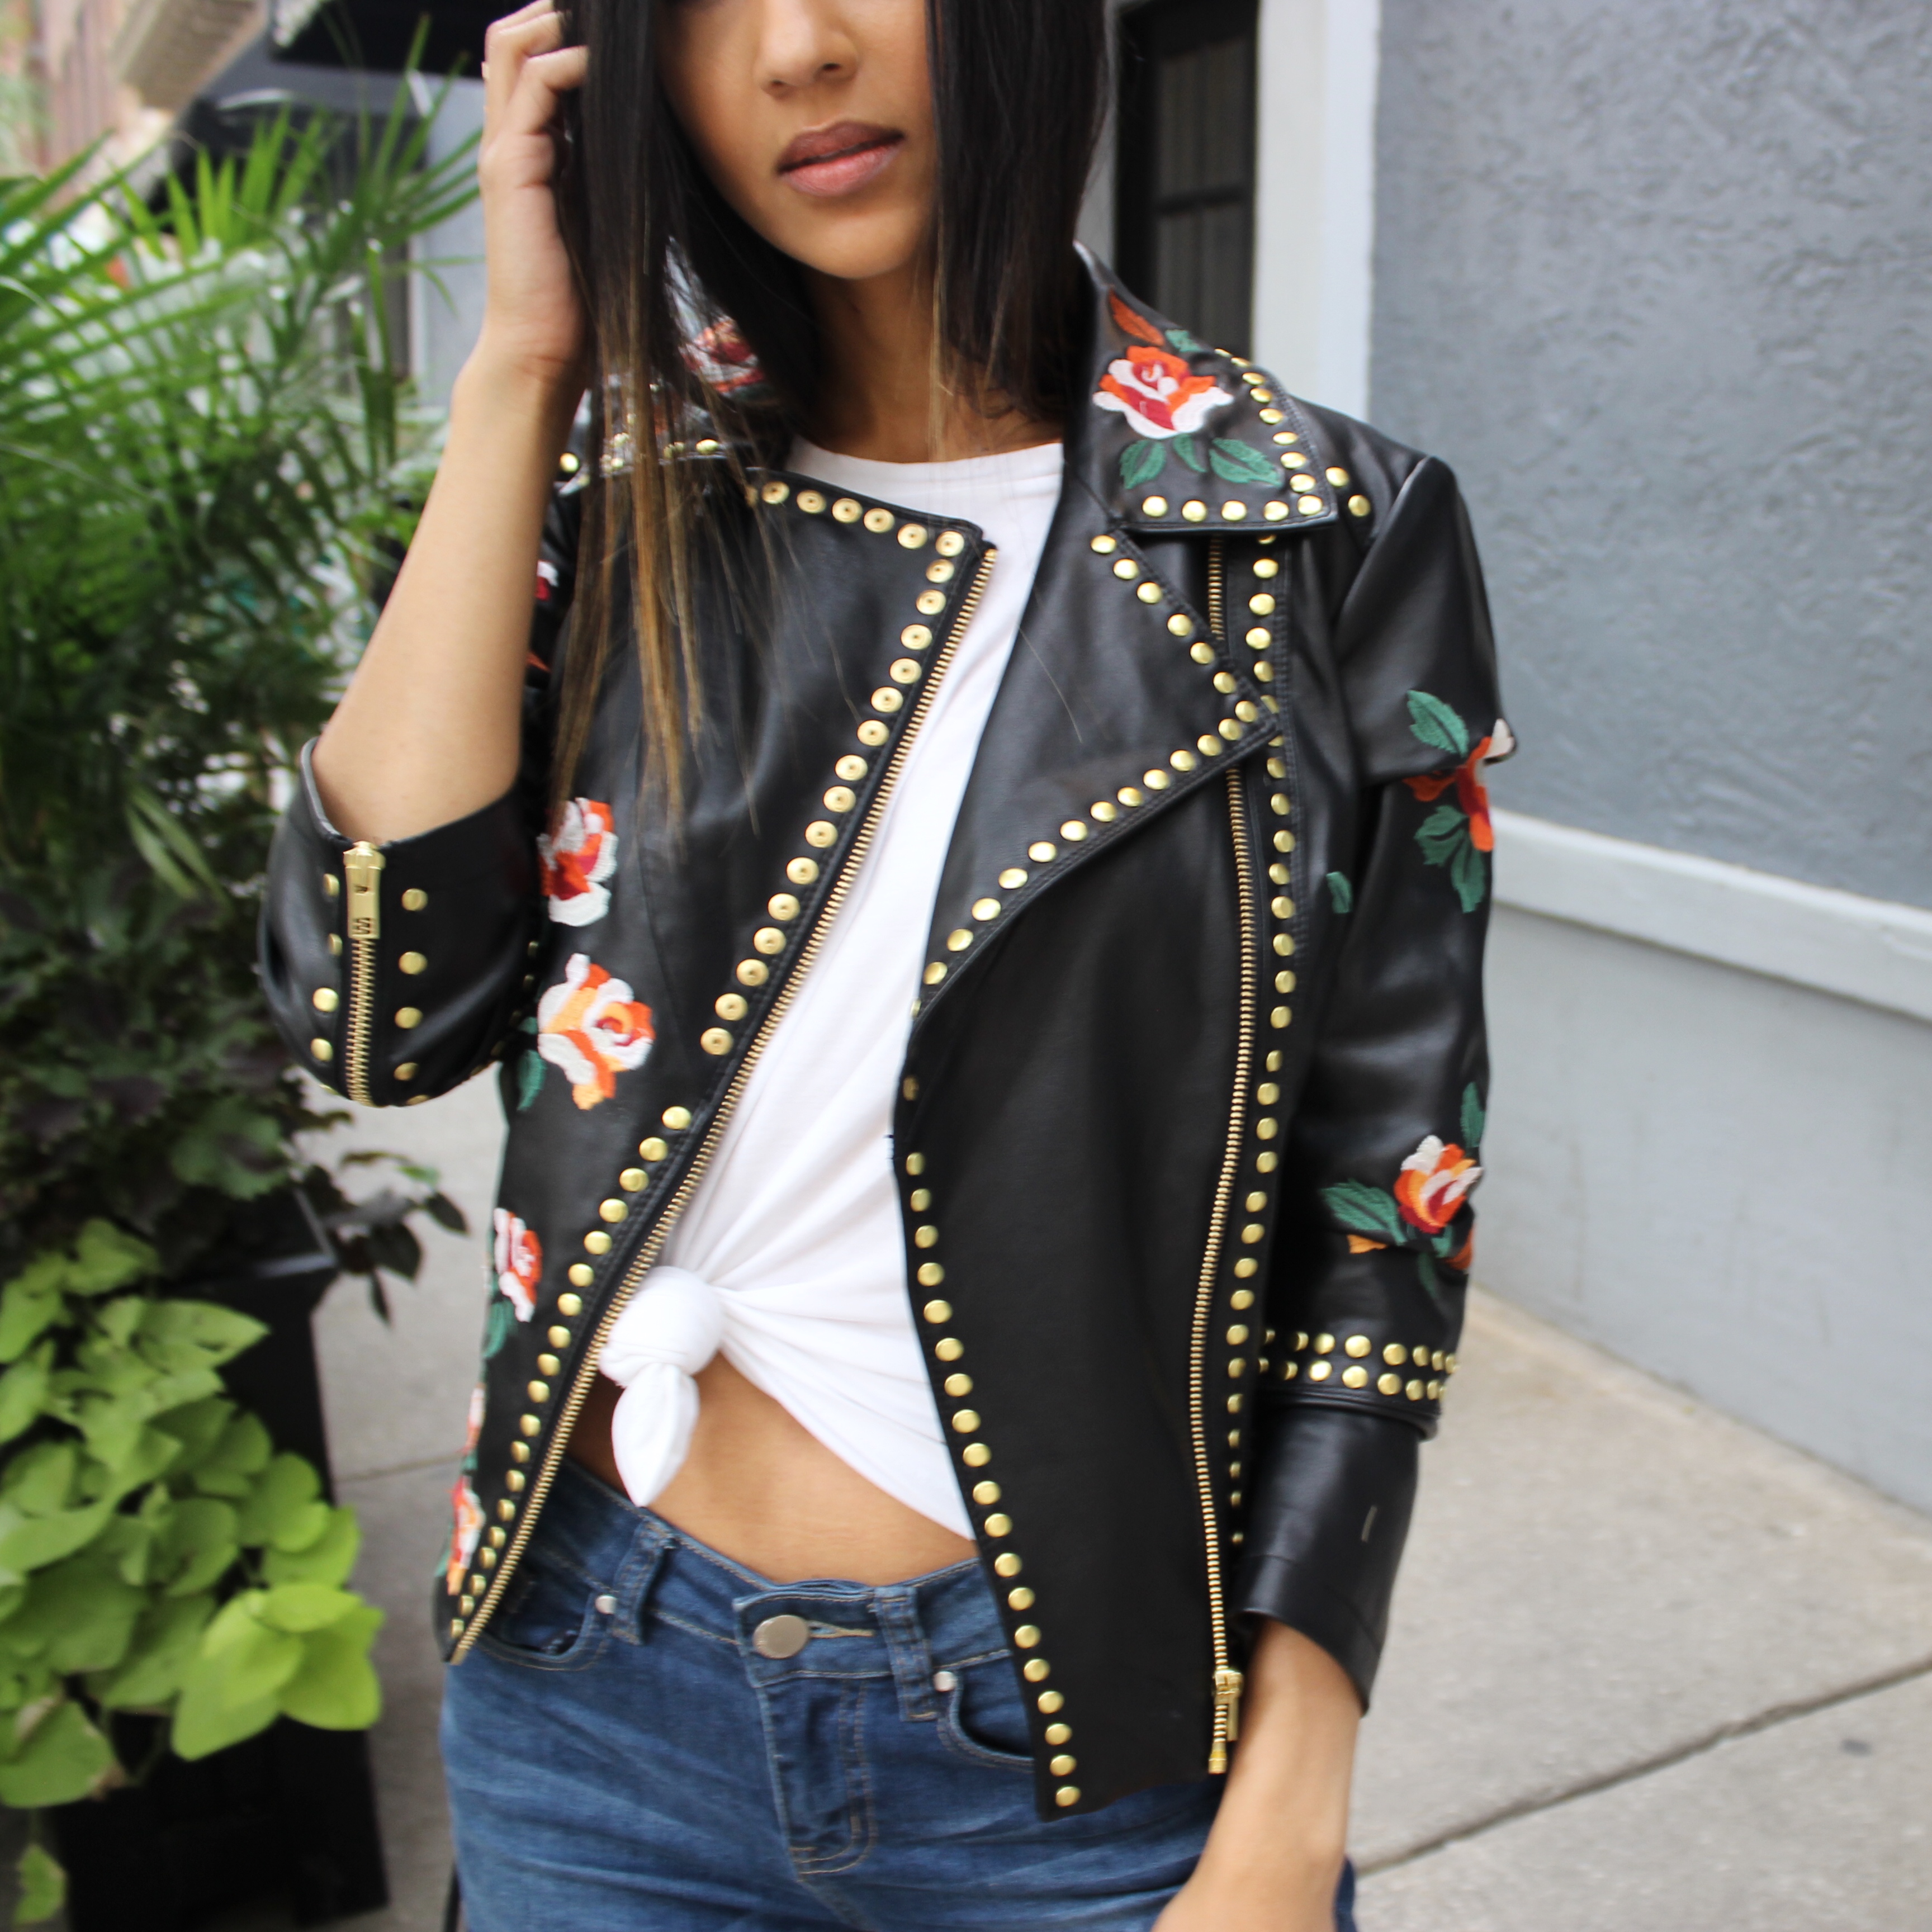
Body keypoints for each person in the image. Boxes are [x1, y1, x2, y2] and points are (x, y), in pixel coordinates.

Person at [261, 1, 1505, 1925]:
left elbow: (1390, 1205)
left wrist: (1290, 1803)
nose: (794, 52)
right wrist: (522, 369)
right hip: (592, 1699)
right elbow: (371, 1014)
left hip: (1085, 1761)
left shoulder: (1321, 530)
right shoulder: (615, 507)